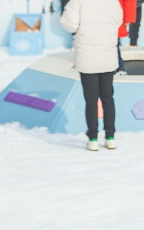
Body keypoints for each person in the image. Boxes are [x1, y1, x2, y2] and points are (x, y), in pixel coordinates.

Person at [60, 0, 123, 151]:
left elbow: (69, 23)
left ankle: (93, 138)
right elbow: (118, 20)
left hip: (87, 53)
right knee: (108, 97)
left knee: (91, 99)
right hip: (107, 51)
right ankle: (110, 137)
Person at [115, 0, 137, 75]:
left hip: (114, 18)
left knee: (114, 44)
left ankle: (120, 68)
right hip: (96, 19)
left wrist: (128, 18)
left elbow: (129, 1)